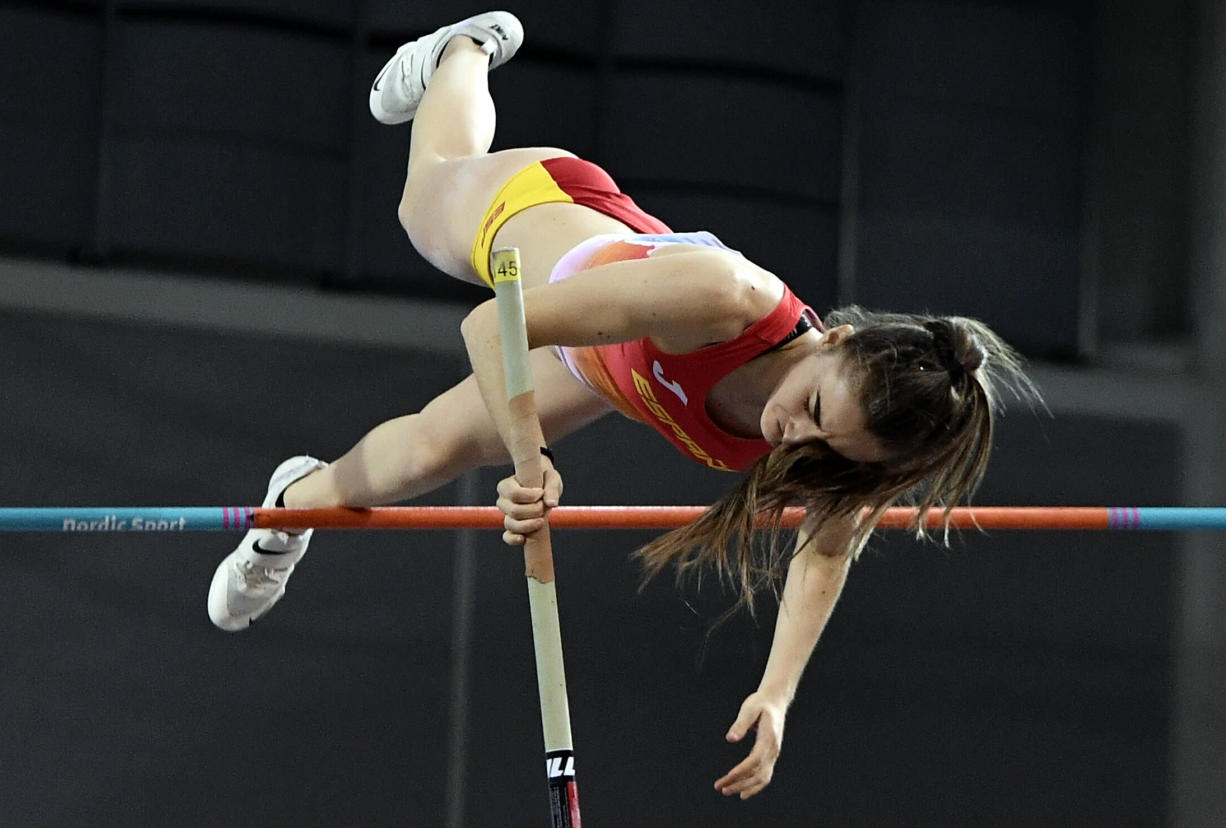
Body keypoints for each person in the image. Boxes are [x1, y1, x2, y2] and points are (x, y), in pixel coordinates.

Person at [207, 11, 1034, 801]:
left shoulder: (840, 450)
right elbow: (491, 321)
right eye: (813, 403)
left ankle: (287, 509)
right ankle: (464, 48)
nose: (794, 432)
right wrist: (533, 463)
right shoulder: (725, 297)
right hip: (530, 220)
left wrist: (778, 694)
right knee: (418, 203)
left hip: (601, 364)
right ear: (832, 339)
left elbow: (824, 552)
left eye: (832, 441)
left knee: (429, 453)